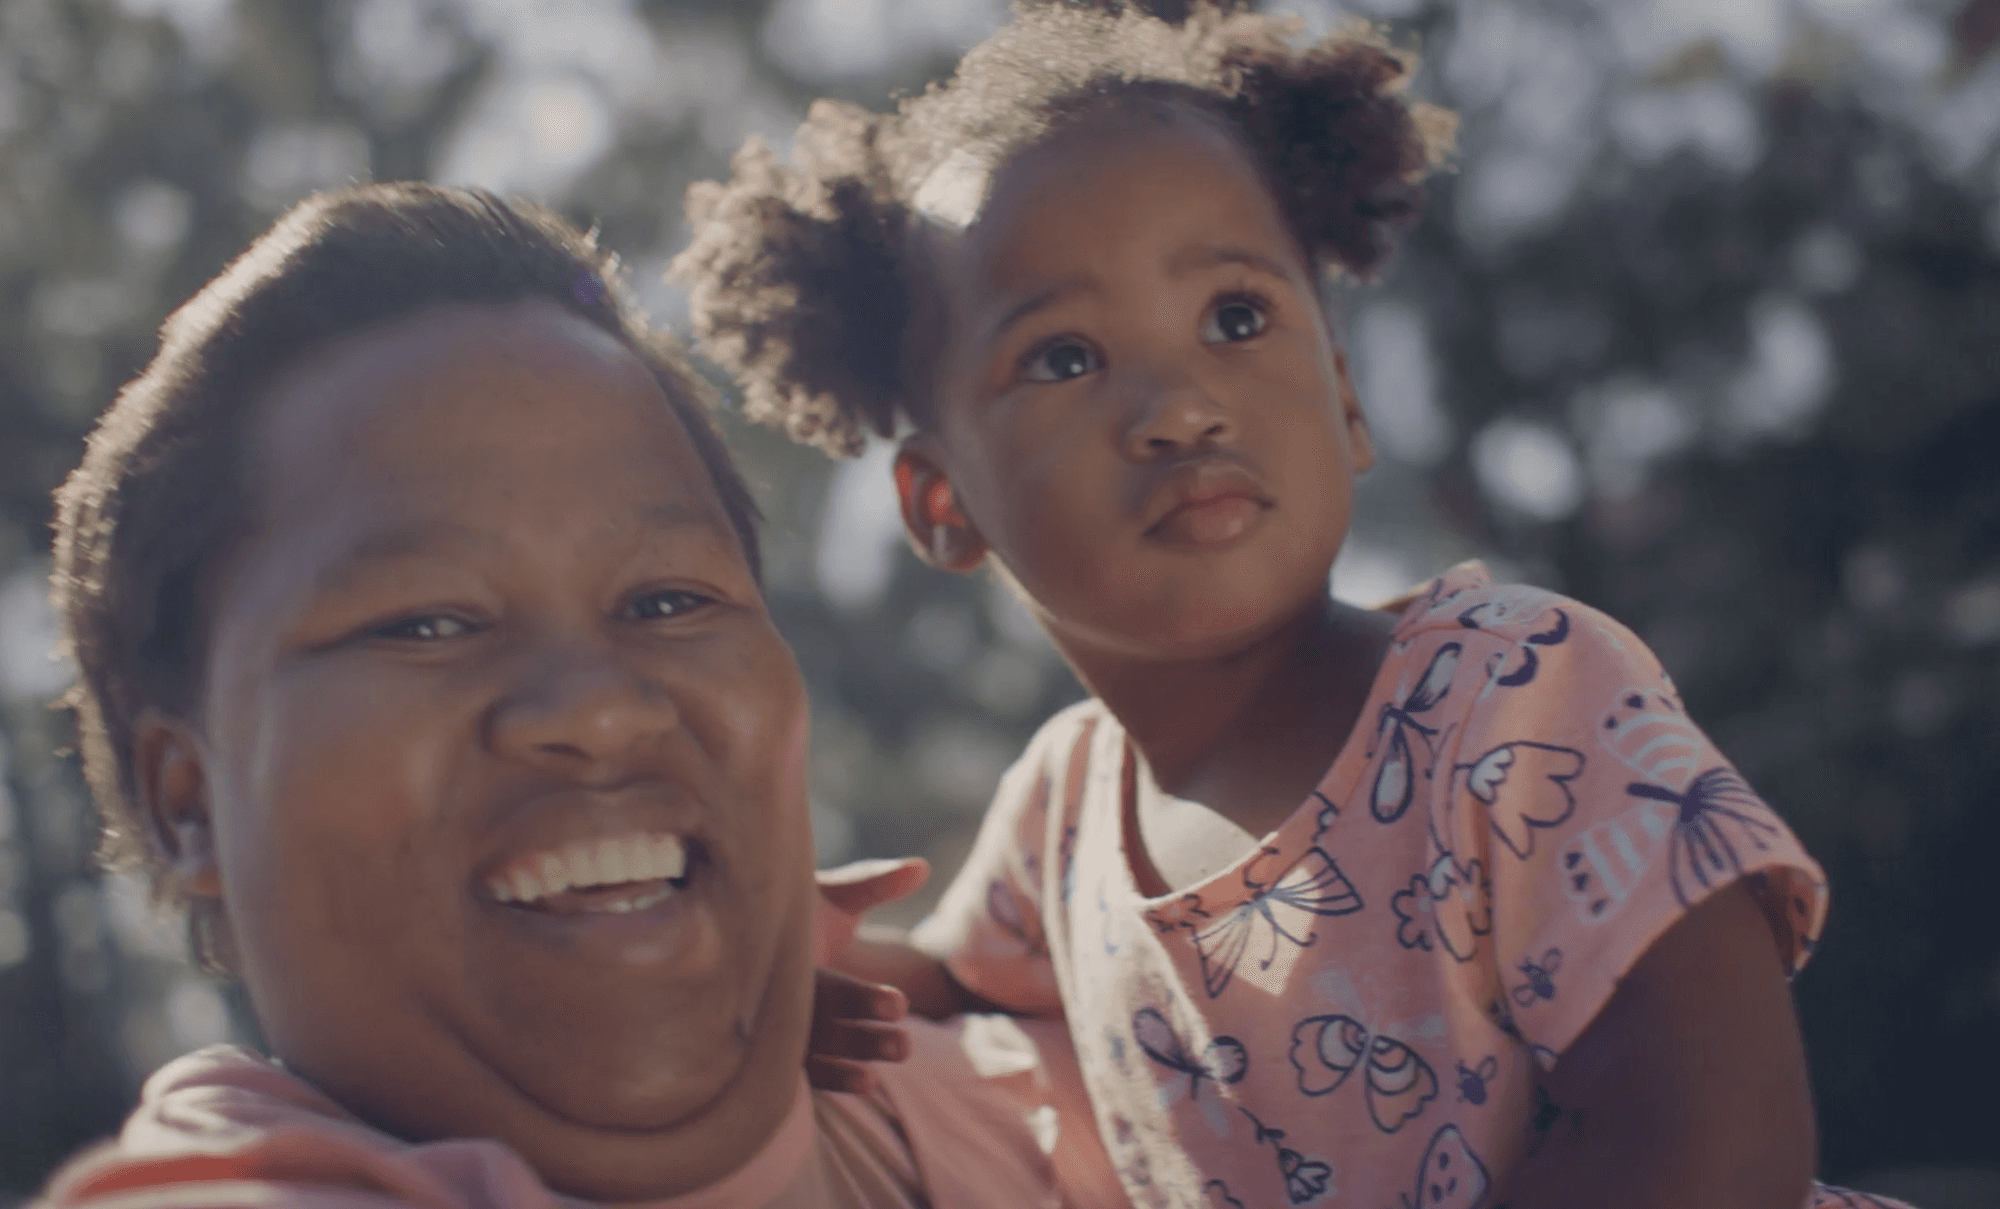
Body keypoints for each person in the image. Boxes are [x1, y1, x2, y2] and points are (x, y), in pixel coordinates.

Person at [672, 3, 1914, 1206]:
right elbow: (959, 981)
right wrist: (792, 970)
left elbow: (1715, 1144)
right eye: (1063, 357)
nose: (1180, 405)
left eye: (1234, 318)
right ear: (943, 505)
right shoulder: (1063, 806)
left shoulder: (1517, 694)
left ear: (1345, 398)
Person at [36, 182, 1126, 1209]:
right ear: (187, 802)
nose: (601, 709)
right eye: (426, 623)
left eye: (665, 602)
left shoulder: (1132, 1088)